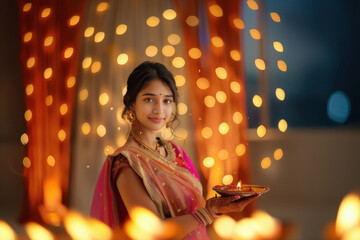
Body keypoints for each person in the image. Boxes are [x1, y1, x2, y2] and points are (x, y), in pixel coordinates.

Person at [90, 61, 258, 239]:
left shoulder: (175, 151)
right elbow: (154, 231)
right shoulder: (126, 162)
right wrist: (210, 212)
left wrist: (217, 208)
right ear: (131, 103)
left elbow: (194, 211)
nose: (159, 109)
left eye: (167, 101)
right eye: (149, 99)